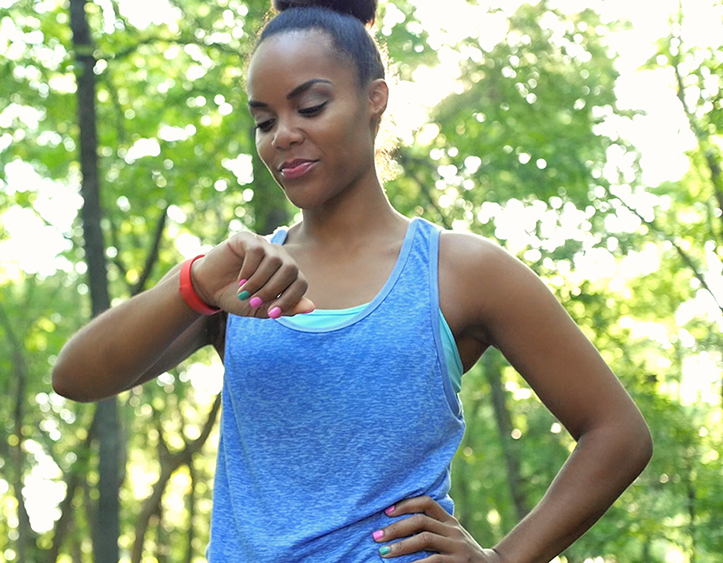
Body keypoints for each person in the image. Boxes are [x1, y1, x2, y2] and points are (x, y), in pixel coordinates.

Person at [51, 0, 653, 559]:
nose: (283, 134)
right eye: (264, 120)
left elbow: (618, 434)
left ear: (375, 98)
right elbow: (75, 377)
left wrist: (503, 558)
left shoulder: (460, 270)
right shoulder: (241, 277)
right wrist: (193, 287)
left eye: (309, 107)